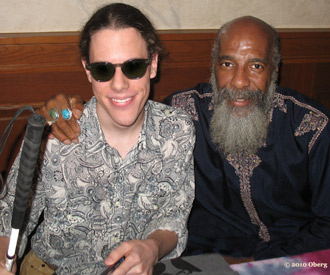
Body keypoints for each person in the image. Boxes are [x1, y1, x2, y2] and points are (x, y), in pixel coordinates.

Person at [35, 16, 330, 262]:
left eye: (256, 66)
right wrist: (66, 108)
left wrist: (264, 261)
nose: (239, 82)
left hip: (295, 260)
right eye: (227, 65)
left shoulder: (311, 128)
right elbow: (122, 104)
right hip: (206, 261)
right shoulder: (182, 114)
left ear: (274, 71)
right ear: (213, 67)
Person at [0, 3, 195, 275]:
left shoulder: (178, 130)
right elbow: (9, 216)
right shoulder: (56, 136)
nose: (119, 84)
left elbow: (173, 214)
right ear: (88, 71)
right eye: (104, 69)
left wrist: (152, 247)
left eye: (133, 66)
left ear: (153, 64)